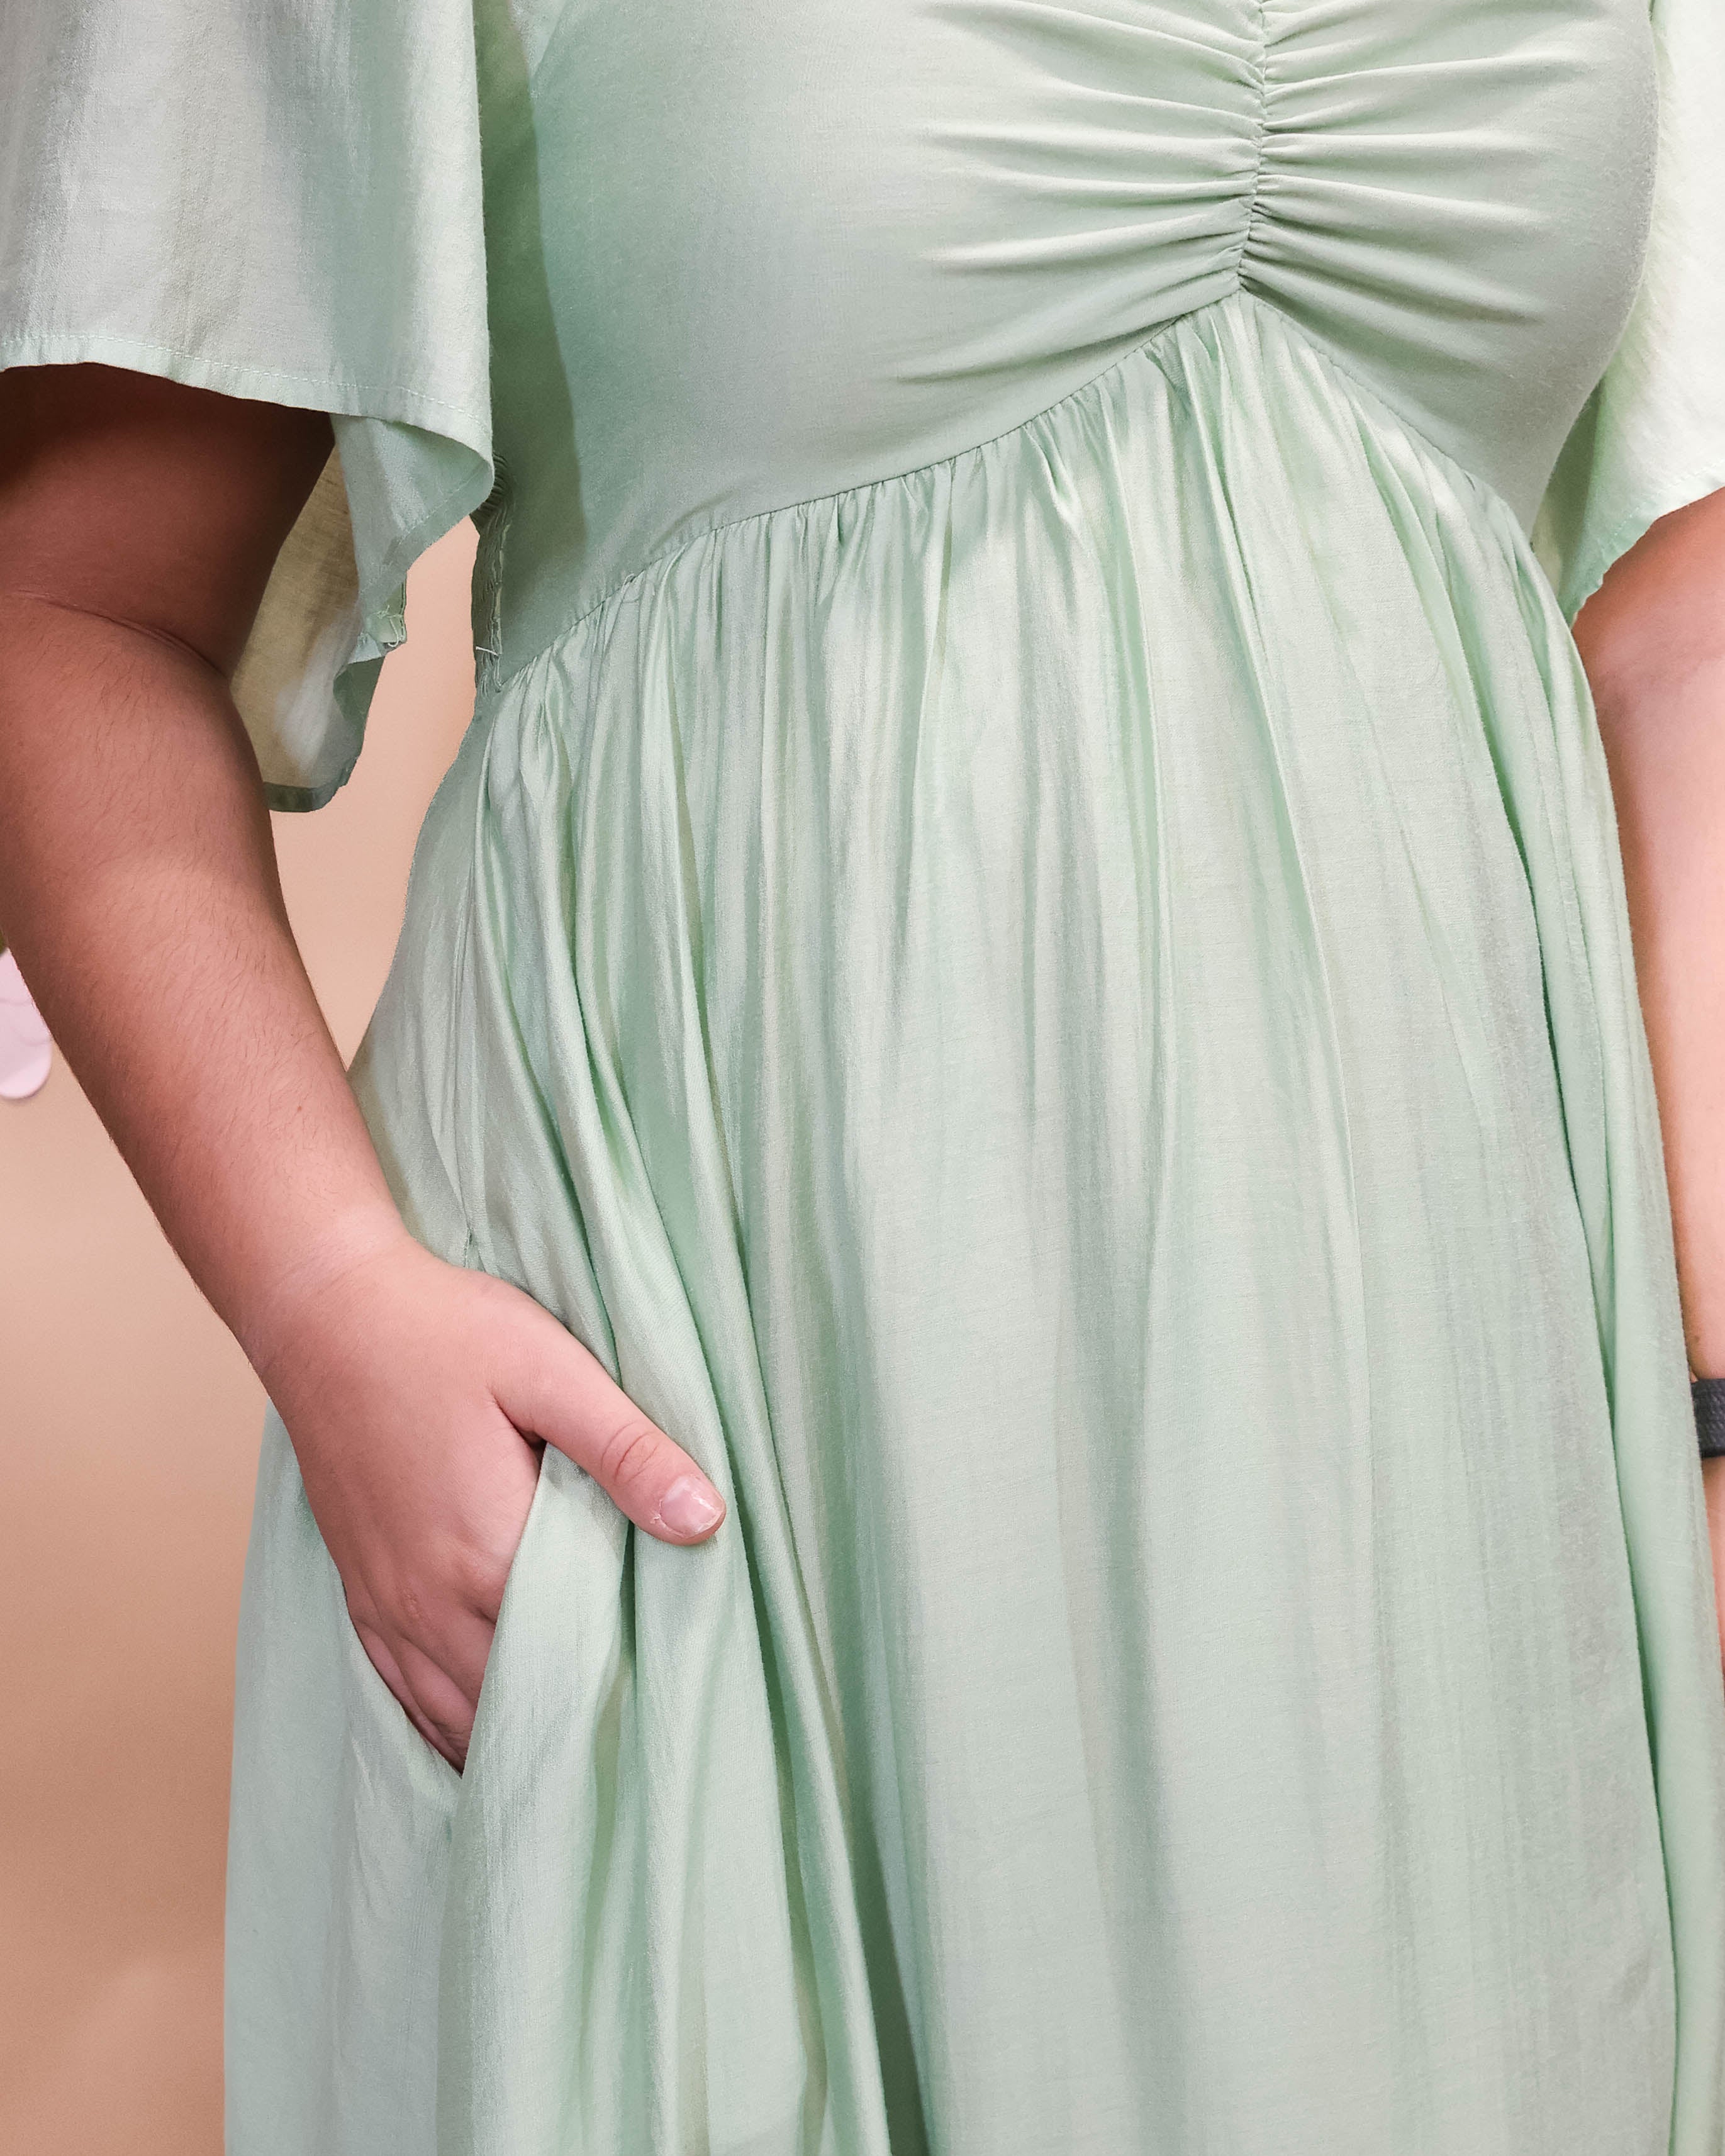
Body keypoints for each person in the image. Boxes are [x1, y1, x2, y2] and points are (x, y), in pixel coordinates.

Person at [2, 0, 1723, 2149]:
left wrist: (1708, 1423)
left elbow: (1678, 633)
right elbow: (74, 611)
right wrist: (333, 1300)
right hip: (746, 1434)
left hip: (1449, 1508)